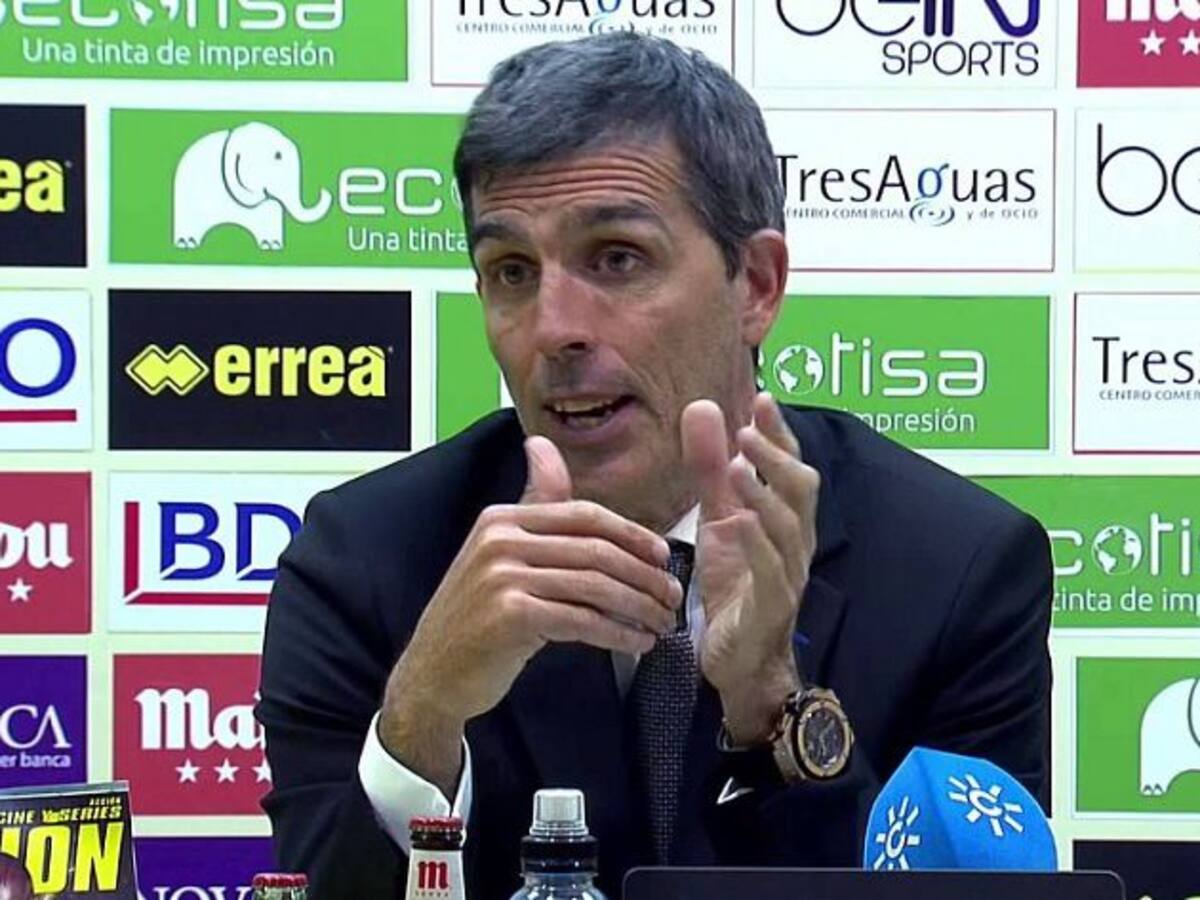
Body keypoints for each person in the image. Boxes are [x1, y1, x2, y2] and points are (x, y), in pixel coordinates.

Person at [256, 32, 1052, 900]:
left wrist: (769, 705)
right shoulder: (364, 562)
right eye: (512, 271)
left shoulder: (959, 571)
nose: (555, 328)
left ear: (756, 285)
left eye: (617, 259)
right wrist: (424, 716)